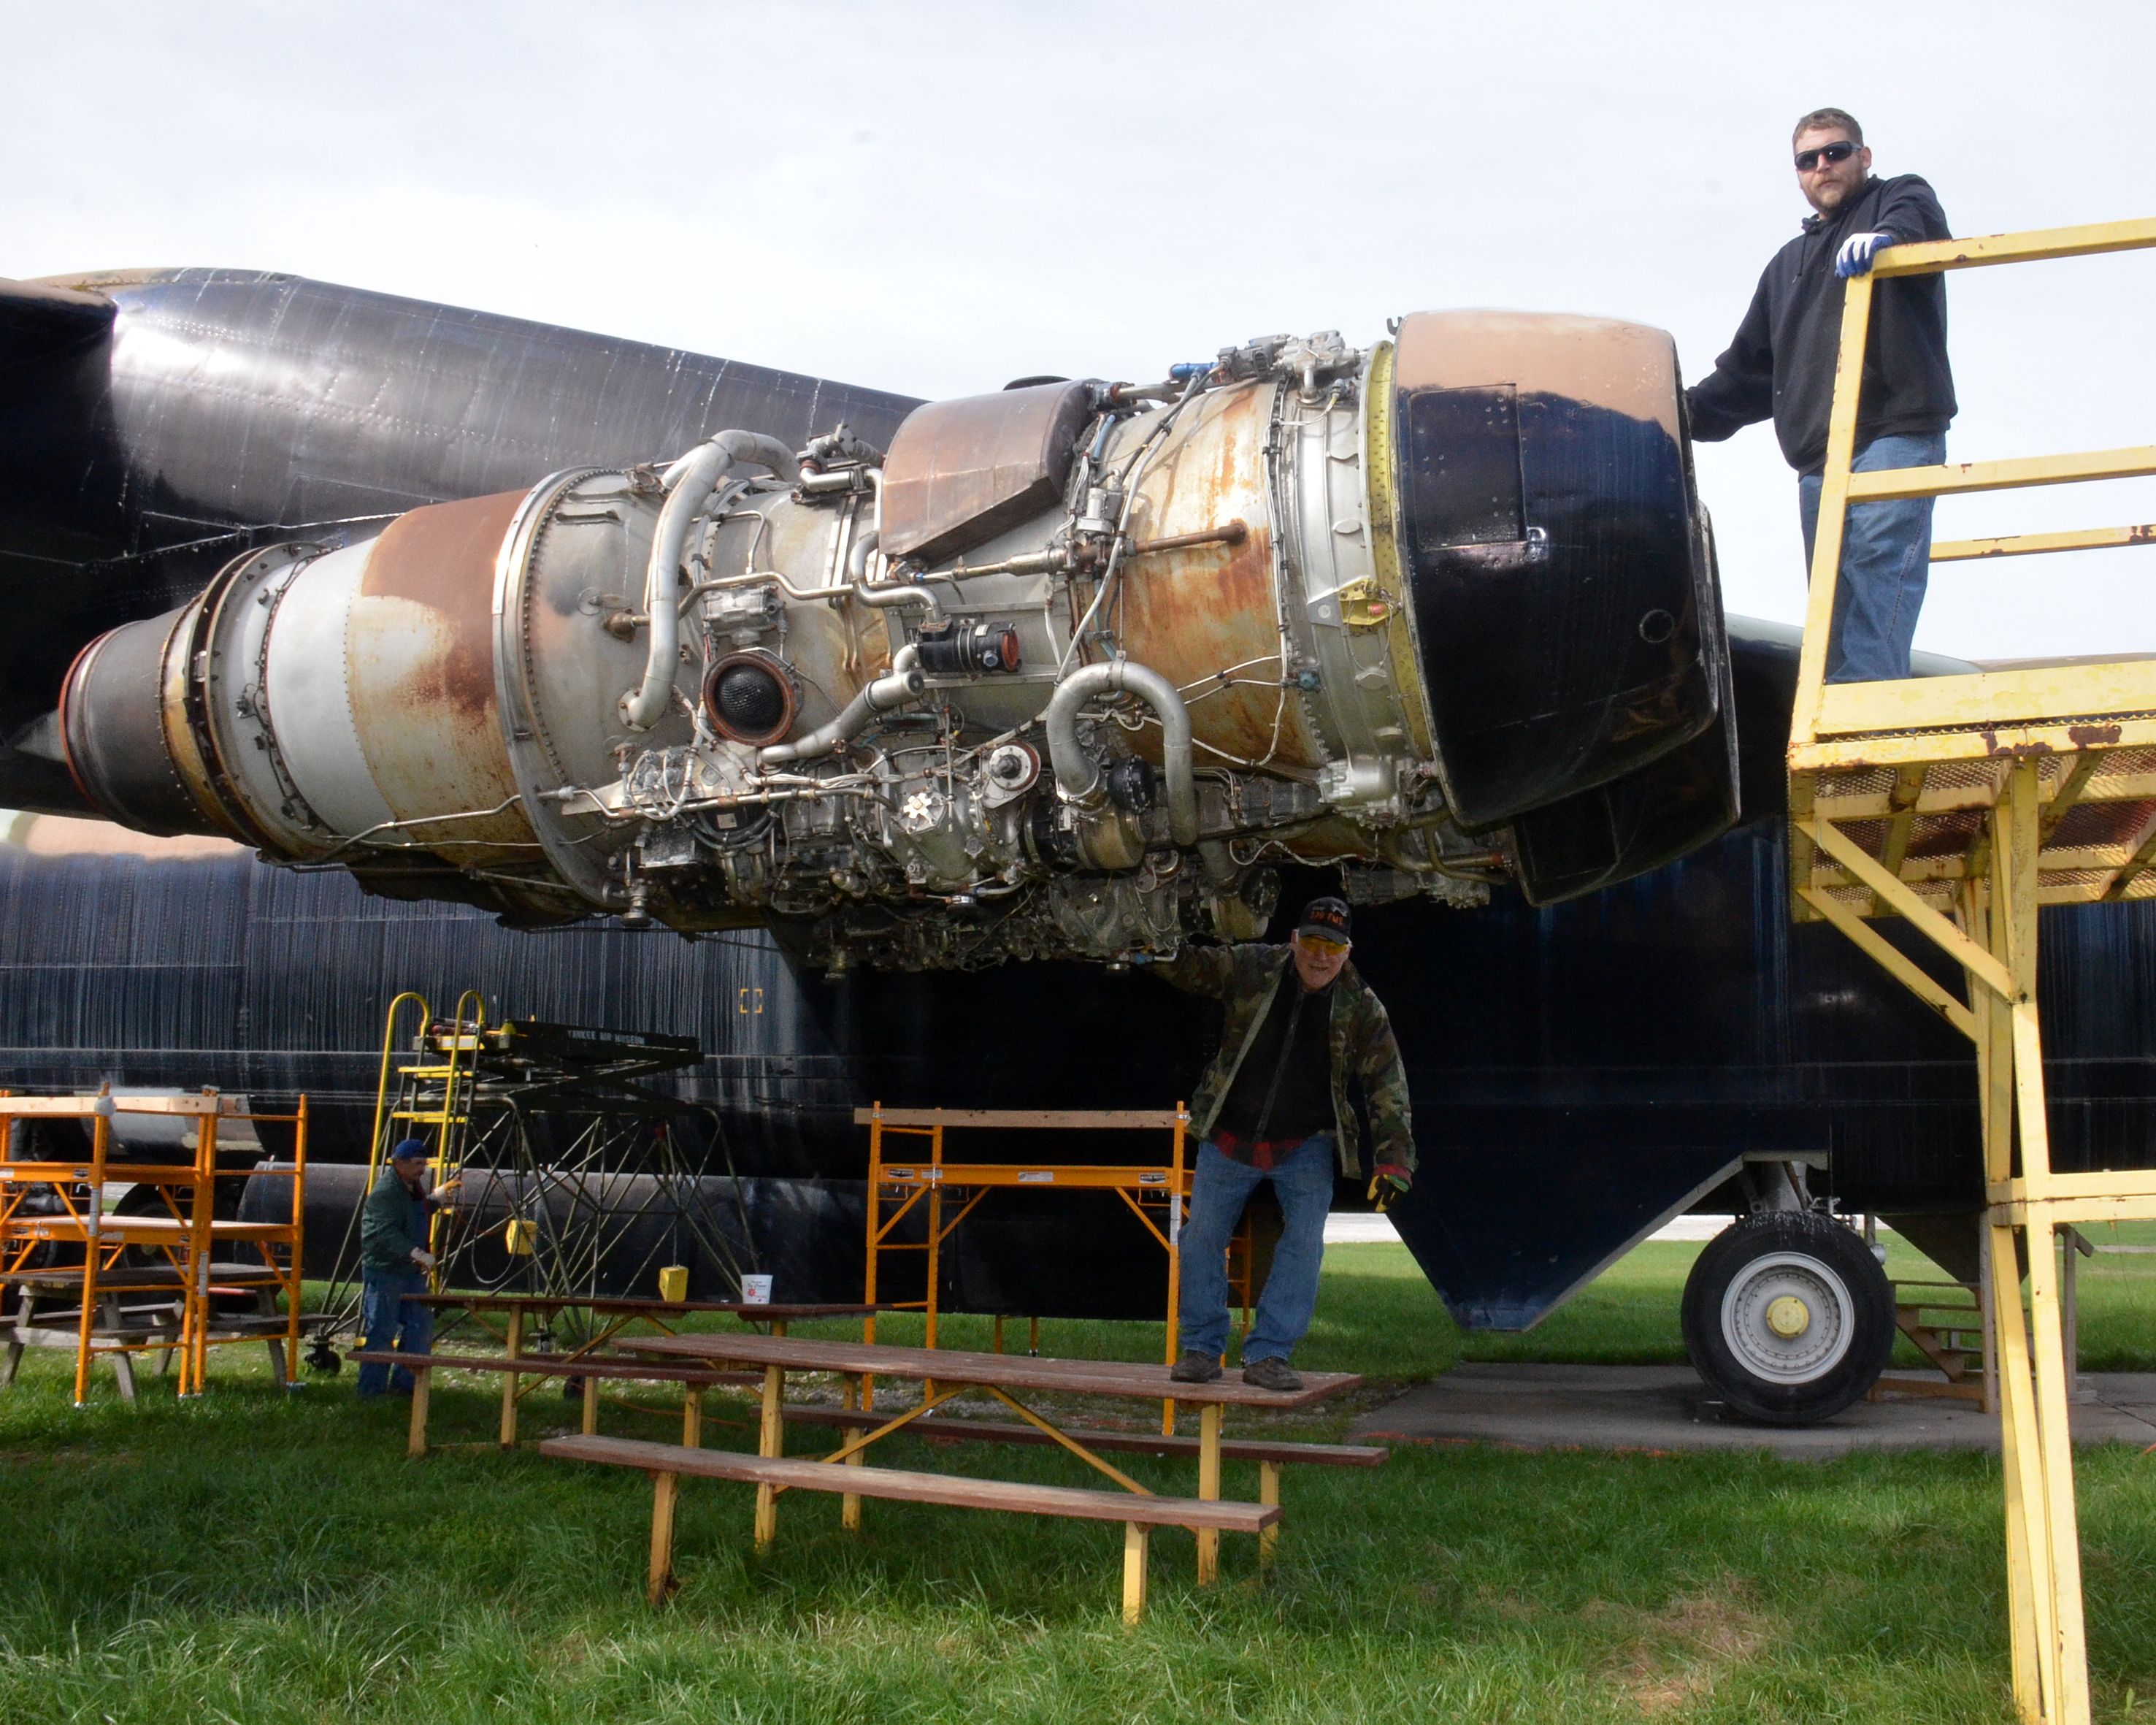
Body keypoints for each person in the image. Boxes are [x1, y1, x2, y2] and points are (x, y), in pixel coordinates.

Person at [1686, 107, 1957, 684]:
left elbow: (1920, 221)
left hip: (1893, 432)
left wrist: (1888, 242)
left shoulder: (1896, 200)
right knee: (1831, 598)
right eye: (1807, 160)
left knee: (1877, 571)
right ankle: (1838, 712)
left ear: (1863, 156)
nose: (1822, 166)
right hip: (1818, 456)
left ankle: (1867, 714)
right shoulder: (1787, 267)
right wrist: (1667, 413)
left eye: (1835, 152)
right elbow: (1745, 377)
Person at [1151, 897, 1414, 1392]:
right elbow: (1195, 968)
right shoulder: (1253, 966)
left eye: (1332, 948)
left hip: (1305, 1145)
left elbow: (1387, 1084)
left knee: (1303, 1245)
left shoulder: (1361, 1006)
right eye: (1312, 943)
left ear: (1347, 951)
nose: (1320, 957)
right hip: (1228, 1135)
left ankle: (1270, 1355)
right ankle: (1202, 1349)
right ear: (1294, 939)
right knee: (1202, 1237)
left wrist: (1394, 1162)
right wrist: (1149, 946)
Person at [355, 1139, 459, 1397]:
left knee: (419, 1326)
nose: (422, 1169)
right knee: (382, 1329)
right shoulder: (385, 1193)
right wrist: (417, 1253)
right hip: (385, 1271)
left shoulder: (411, 1187)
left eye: (424, 1163)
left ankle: (407, 1386)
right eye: (416, 1164)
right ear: (398, 1163)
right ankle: (371, 1392)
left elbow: (414, 1212)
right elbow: (385, 1232)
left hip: (410, 1272)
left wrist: (436, 1198)